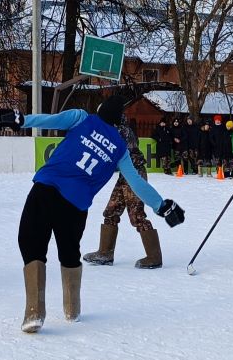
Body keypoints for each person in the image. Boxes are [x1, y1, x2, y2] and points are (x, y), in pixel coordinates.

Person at [18, 97, 185, 333]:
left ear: (98, 111)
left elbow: (48, 119)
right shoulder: (120, 149)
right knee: (69, 251)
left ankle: (34, 312)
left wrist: (19, 120)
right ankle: (72, 308)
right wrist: (161, 205)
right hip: (77, 205)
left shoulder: (81, 118)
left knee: (31, 243)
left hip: (47, 187)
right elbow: (136, 182)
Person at [84, 119, 165, 269]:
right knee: (111, 211)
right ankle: (105, 253)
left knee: (137, 215)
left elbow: (115, 153)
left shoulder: (120, 131)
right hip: (125, 174)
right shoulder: (117, 129)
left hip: (134, 173)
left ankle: (154, 257)